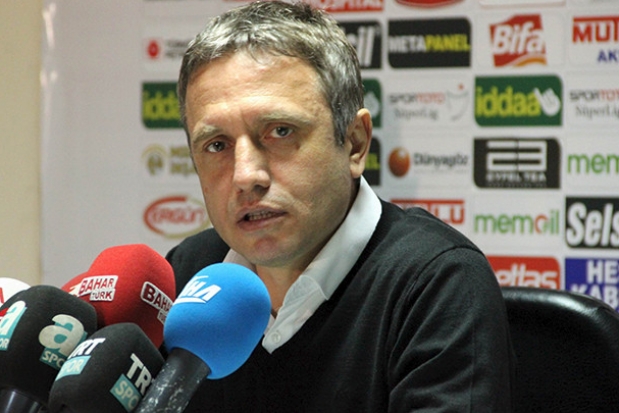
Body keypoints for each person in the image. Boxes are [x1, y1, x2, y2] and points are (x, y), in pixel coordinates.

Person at [166, 1, 514, 411]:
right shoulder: (187, 275)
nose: (245, 175)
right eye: (216, 145)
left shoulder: (439, 284)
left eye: (280, 131)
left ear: (355, 143)